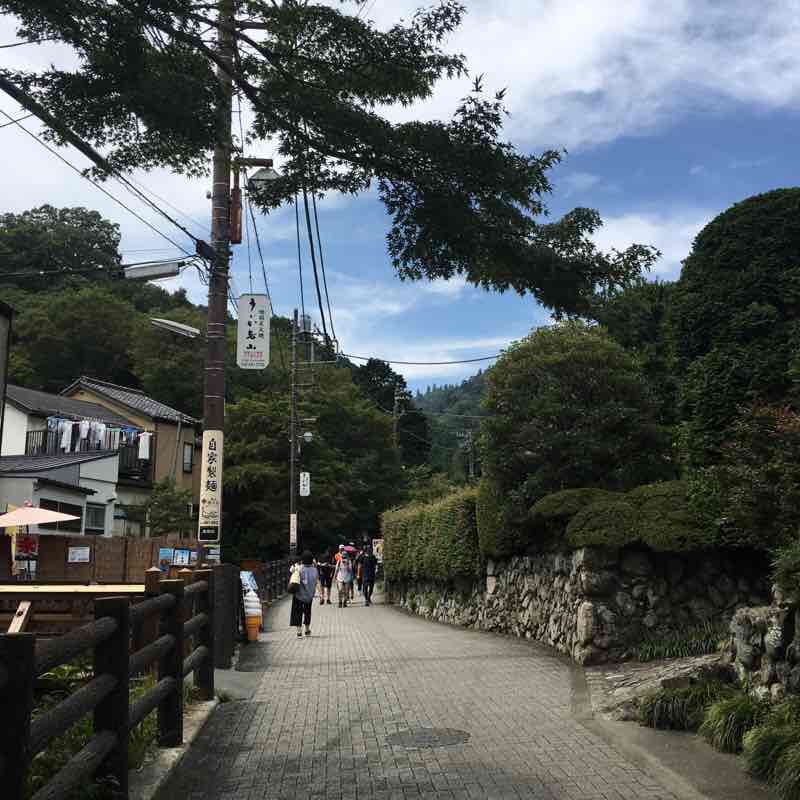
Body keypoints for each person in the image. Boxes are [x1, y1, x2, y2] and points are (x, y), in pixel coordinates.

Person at [290, 550, 318, 638]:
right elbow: (316, 582)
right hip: (309, 596)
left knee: (297, 612)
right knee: (307, 612)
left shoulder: (299, 568)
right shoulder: (315, 570)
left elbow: (291, 571)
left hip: (298, 595)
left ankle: (299, 632)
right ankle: (307, 630)